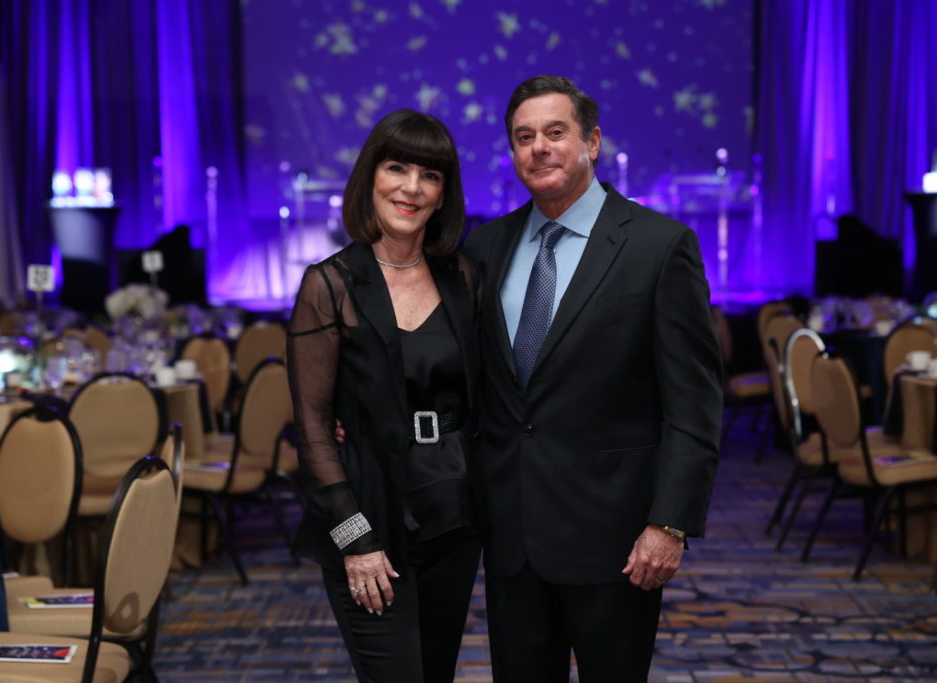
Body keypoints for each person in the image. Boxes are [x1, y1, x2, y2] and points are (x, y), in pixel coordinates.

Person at [464, 75, 722, 682]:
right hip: (513, 537)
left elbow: (694, 403)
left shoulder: (660, 247)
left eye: (556, 132)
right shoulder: (484, 248)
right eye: (524, 137)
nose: (539, 148)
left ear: (593, 142)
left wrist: (670, 522)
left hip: (619, 540)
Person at [286, 109, 482, 683]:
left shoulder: (464, 277)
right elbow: (314, 429)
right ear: (371, 176)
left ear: (444, 193)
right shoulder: (329, 285)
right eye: (397, 168)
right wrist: (355, 541)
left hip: (453, 517)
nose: (411, 188)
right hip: (368, 517)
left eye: (430, 175)